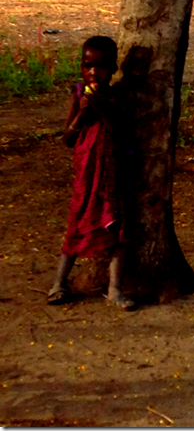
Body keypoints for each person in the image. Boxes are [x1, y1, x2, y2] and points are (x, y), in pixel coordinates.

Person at [47, 35, 135, 309]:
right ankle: (59, 283)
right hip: (85, 173)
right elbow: (68, 139)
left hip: (110, 172)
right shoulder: (78, 95)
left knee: (117, 228)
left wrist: (101, 107)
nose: (93, 72)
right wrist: (81, 116)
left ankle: (115, 289)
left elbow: (121, 132)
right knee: (76, 225)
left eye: (100, 66)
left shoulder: (117, 96)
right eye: (87, 66)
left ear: (113, 68)